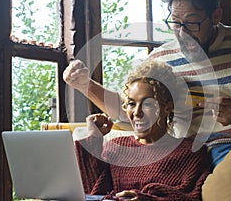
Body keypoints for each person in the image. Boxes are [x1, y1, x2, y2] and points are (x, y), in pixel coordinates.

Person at [64, 0, 231, 199]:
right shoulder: (161, 59)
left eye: (192, 23)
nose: (182, 33)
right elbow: (133, 111)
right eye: (175, 22)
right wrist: (86, 85)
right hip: (196, 156)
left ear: (215, 16)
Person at [75, 60, 211, 201]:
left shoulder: (191, 152)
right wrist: (93, 137)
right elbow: (92, 193)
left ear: (167, 107)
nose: (137, 112)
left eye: (148, 104)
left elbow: (189, 198)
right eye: (132, 104)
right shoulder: (116, 148)